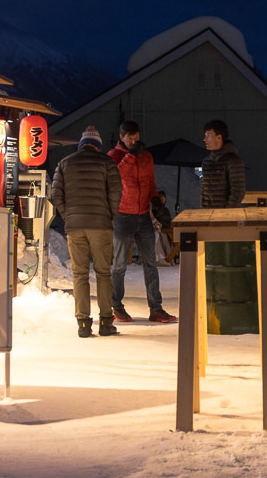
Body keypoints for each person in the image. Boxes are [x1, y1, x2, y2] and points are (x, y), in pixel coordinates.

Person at [50, 125, 122, 338]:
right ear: (97, 146)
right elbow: (116, 192)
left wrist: (68, 215)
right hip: (101, 225)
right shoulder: (107, 163)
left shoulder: (64, 163)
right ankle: (106, 322)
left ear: (82, 145)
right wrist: (110, 214)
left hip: (75, 227)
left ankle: (83, 323)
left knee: (79, 274)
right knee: (103, 273)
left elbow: (56, 195)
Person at [108, 120, 177, 323]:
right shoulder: (114, 156)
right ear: (121, 137)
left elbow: (150, 182)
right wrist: (131, 155)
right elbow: (118, 175)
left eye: (136, 138)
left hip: (143, 216)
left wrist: (155, 198)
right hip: (122, 215)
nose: (133, 142)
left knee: (151, 264)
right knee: (119, 264)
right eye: (130, 138)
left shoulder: (146, 156)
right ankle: (116, 307)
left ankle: (156, 308)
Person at [201, 119, 246, 207]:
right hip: (207, 214)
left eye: (209, 136)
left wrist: (227, 212)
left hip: (225, 216)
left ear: (219, 137)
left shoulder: (233, 161)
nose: (205, 139)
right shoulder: (206, 162)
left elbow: (238, 191)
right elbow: (203, 191)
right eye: (205, 136)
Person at [150, 190, 177, 265]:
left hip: (164, 228)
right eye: (160, 197)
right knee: (158, 235)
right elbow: (153, 218)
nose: (162, 199)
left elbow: (168, 220)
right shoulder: (154, 209)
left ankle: (168, 258)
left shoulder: (166, 210)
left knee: (165, 236)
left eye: (163, 197)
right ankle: (159, 258)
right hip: (154, 229)